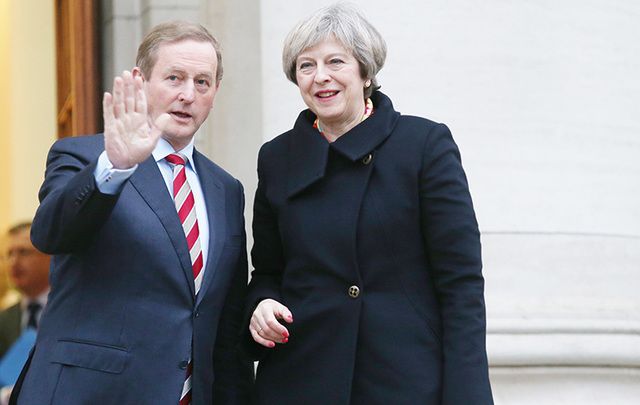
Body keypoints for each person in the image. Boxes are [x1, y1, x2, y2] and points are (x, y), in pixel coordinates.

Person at [245, 4, 493, 404]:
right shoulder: (276, 159)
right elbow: (268, 272)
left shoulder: (423, 145)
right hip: (299, 381)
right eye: (306, 65)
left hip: (402, 382)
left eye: (335, 61)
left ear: (365, 70)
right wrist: (260, 306)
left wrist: (467, 396)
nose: (320, 76)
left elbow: (461, 285)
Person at [10, 21, 252, 405]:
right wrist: (115, 167)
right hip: (90, 394)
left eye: (202, 82)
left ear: (215, 92)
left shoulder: (226, 190)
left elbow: (224, 319)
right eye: (174, 78)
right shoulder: (86, 157)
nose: (188, 94)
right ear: (141, 81)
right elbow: (50, 234)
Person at [0, 222, 50, 404]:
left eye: (23, 252)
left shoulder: (71, 313)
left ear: (50, 256)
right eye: (9, 254)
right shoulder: (3, 320)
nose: (14, 262)